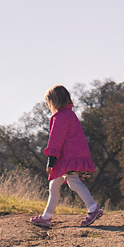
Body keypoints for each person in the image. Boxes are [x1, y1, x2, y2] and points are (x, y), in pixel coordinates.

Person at [30, 85, 104, 229]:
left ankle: (93, 208)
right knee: (54, 185)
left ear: (54, 101)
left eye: (48, 102)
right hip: (72, 155)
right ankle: (46, 217)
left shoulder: (60, 117)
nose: (48, 105)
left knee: (73, 181)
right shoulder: (70, 114)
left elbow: (56, 140)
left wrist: (51, 161)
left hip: (67, 157)